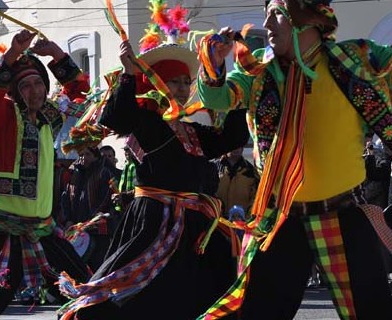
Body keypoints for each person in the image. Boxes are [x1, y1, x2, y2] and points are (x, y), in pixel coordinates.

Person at [196, 0, 392, 319]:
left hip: (342, 212)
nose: (267, 23)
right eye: (266, 15)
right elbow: (221, 97)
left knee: (372, 311)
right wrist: (213, 64)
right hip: (280, 218)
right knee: (258, 311)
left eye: (276, 13)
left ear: (307, 18)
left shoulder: (353, 59)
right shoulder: (258, 73)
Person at [57, 12, 250, 318]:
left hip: (195, 229)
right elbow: (116, 117)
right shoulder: (146, 125)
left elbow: (233, 137)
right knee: (141, 300)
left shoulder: (192, 131)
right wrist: (129, 73)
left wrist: (226, 76)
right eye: (175, 81)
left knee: (210, 295)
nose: (183, 88)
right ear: (157, 84)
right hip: (156, 225)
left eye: (187, 82)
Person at [0, 29, 91, 320]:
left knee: (85, 294)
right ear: (15, 92)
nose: (34, 91)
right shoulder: (3, 117)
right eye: (26, 86)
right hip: (1, 233)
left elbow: (80, 92)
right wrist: (11, 54)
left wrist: (57, 54)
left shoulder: (50, 115)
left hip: (43, 231)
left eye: (38, 84)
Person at [61, 146, 117, 272]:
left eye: (87, 154)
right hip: (76, 229)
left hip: (98, 230)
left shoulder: (104, 173)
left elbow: (105, 199)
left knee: (97, 266)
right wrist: (68, 219)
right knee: (77, 266)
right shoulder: (75, 173)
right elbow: (65, 197)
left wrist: (89, 222)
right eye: (81, 154)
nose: (83, 158)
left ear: (96, 156)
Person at [213, 146, 260, 220]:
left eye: (240, 145)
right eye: (233, 144)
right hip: (216, 222)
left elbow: (256, 198)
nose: (236, 148)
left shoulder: (251, 172)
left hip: (240, 223)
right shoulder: (214, 168)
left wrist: (247, 219)